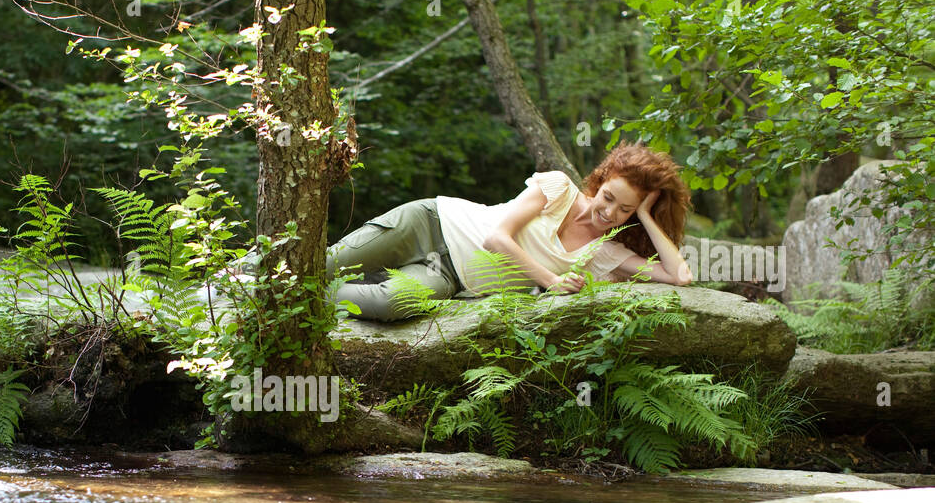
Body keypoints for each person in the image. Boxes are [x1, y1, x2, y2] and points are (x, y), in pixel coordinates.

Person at [246, 141, 693, 322]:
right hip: (432, 222)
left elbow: (680, 278)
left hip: (450, 278)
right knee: (326, 261)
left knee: (386, 304)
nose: (608, 211)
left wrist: (650, 218)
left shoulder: (605, 254)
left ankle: (276, 297)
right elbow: (496, 238)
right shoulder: (557, 187)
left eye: (625, 210)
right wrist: (552, 280)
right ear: (600, 182)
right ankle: (235, 278)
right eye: (608, 197)